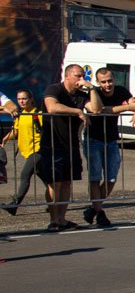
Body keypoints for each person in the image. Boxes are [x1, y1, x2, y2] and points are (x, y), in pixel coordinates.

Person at [82, 67, 135, 228]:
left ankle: (93, 208)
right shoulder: (94, 93)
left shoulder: (121, 91)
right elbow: (100, 110)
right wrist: (128, 108)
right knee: (95, 177)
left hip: (111, 140)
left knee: (111, 178)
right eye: (103, 82)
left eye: (110, 80)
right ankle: (100, 212)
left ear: (114, 80)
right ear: (97, 82)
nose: (107, 84)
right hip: (93, 139)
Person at [39, 64, 91, 231]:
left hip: (71, 145)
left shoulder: (82, 95)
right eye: (78, 76)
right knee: (55, 183)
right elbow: (52, 107)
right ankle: (54, 220)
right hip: (53, 144)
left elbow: (96, 108)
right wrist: (77, 111)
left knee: (67, 182)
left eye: (83, 76)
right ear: (67, 76)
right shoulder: (54, 89)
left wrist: (93, 89)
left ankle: (62, 218)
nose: (81, 79)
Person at [3, 90, 48, 216]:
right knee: (47, 180)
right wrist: (5, 139)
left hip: (37, 150)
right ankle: (56, 201)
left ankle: (15, 204)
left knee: (25, 175)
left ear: (31, 99)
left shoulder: (37, 114)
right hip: (27, 151)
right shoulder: (21, 114)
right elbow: (15, 131)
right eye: (19, 99)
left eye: (24, 98)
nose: (21, 101)